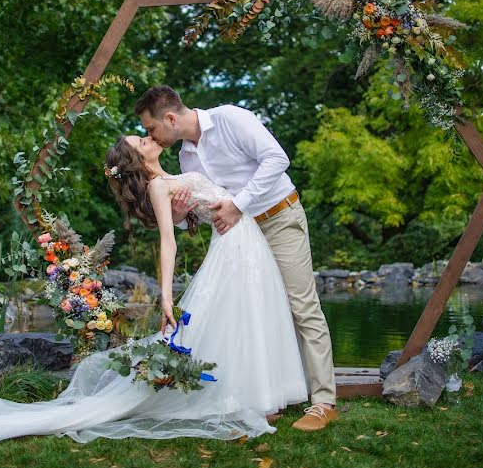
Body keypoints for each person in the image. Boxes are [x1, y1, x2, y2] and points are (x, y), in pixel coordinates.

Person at [0, 135, 308, 452]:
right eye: (141, 138)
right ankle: (251, 400)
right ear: (137, 159)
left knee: (244, 319)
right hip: (234, 248)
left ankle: (259, 396)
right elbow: (168, 243)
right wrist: (167, 298)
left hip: (242, 242)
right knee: (239, 318)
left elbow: (192, 212)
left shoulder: (173, 175)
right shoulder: (157, 185)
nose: (149, 136)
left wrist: (185, 208)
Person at [134, 86, 338, 431]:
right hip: (238, 240)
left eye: (151, 129)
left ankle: (323, 402)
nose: (150, 136)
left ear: (170, 118)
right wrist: (183, 215)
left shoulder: (232, 118)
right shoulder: (186, 158)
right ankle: (269, 393)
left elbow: (277, 159)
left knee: (301, 305)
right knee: (253, 313)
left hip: (278, 219)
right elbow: (204, 209)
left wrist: (238, 204)